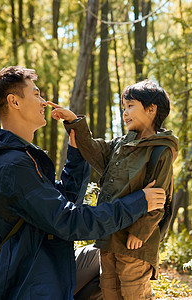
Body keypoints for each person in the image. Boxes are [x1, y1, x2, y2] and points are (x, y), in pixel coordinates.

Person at [0, 66, 166, 300]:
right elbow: (69, 222)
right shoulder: (13, 166)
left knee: (107, 254)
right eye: (36, 94)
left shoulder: (20, 157)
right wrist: (138, 203)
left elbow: (63, 203)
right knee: (107, 263)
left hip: (38, 263)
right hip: (23, 283)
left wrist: (76, 155)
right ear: (14, 102)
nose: (43, 102)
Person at [49, 80, 178, 300]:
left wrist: (140, 232)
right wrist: (74, 122)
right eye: (123, 108)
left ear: (151, 109)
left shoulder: (160, 151)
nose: (125, 113)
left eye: (130, 106)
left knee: (133, 290)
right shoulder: (119, 145)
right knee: (109, 289)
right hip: (108, 236)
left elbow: (160, 200)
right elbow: (92, 149)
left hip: (134, 243)